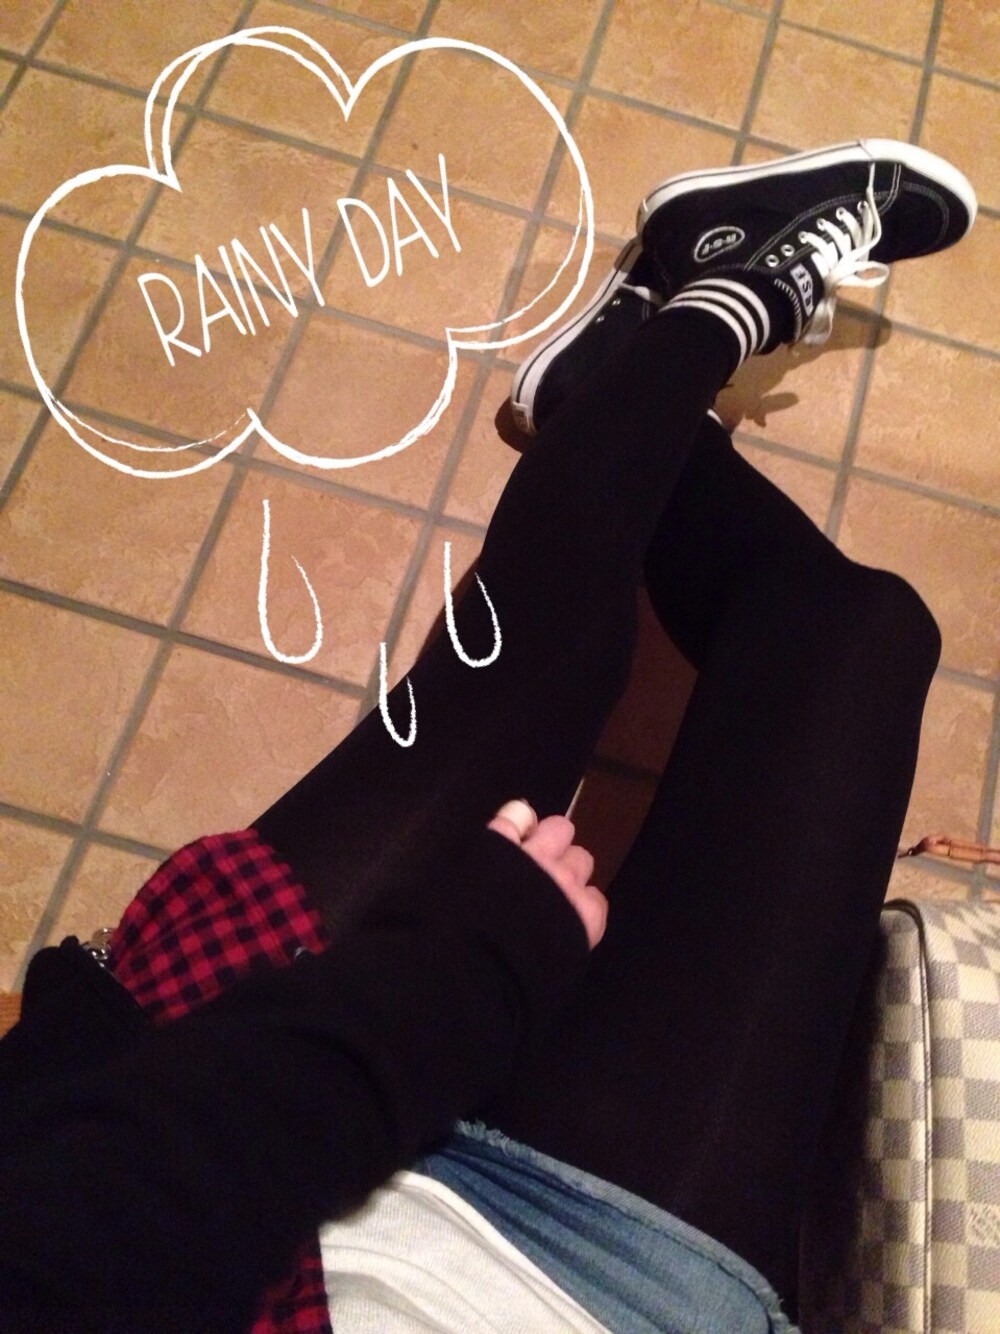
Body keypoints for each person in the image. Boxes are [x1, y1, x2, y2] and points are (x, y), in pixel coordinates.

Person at [0, 138, 976, 1334]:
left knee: (545, 661)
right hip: (572, 1288)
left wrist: (469, 970)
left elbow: (95, 1230)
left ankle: (707, 298)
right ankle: (613, 378)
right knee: (860, 634)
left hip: (183, 1120)